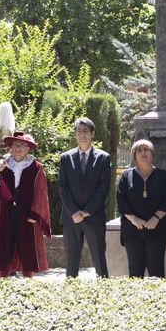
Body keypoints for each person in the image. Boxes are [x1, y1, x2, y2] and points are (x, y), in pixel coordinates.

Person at [0, 132, 51, 277]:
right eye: (15, 145)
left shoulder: (36, 167)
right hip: (6, 212)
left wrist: (35, 213)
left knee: (27, 250)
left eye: (22, 146)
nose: (18, 149)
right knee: (4, 248)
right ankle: (3, 282)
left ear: (28, 148)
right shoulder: (3, 165)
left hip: (28, 214)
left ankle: (28, 284)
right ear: (10, 148)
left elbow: (41, 191)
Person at [58, 117, 112, 278]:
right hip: (71, 217)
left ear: (92, 134)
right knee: (72, 262)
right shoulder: (66, 158)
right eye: (79, 131)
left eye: (86, 131)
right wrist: (74, 212)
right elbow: (63, 186)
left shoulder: (103, 158)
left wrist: (87, 211)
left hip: (93, 216)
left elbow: (104, 188)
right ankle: (70, 296)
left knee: (99, 261)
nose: (82, 135)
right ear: (75, 135)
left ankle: (104, 294)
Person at [117, 139, 166, 277]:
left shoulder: (163, 176)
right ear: (134, 155)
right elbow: (121, 200)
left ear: (152, 154)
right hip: (132, 230)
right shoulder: (126, 176)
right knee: (135, 271)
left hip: (157, 229)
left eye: (146, 150)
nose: (143, 153)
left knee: (156, 271)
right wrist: (134, 219)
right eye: (140, 150)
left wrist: (156, 218)